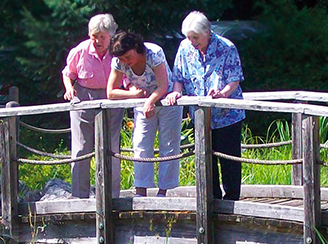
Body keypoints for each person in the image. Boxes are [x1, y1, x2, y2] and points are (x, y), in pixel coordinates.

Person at [165, 11, 246, 200]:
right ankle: (211, 199)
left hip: (227, 115)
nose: (192, 41)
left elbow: (234, 79)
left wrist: (222, 93)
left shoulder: (227, 47)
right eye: (189, 37)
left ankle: (232, 199)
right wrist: (177, 91)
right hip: (201, 115)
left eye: (196, 37)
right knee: (205, 158)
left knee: (229, 159)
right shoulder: (184, 48)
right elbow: (178, 77)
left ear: (207, 32)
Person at [108, 32, 182, 197]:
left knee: (169, 146)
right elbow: (111, 92)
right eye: (122, 59)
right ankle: (141, 190)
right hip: (142, 104)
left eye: (128, 56)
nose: (126, 62)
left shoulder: (153, 53)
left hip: (167, 102)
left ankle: (164, 191)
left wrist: (150, 101)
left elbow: (163, 86)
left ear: (135, 47)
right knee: (140, 145)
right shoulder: (118, 62)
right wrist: (134, 95)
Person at [62, 13, 123, 199]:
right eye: (94, 36)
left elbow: (127, 74)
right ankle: (79, 196)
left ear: (111, 36)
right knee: (81, 148)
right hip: (84, 98)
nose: (97, 40)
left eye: (102, 37)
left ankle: (111, 196)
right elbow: (68, 73)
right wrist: (69, 89)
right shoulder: (80, 50)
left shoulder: (117, 51)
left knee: (111, 148)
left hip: (112, 98)